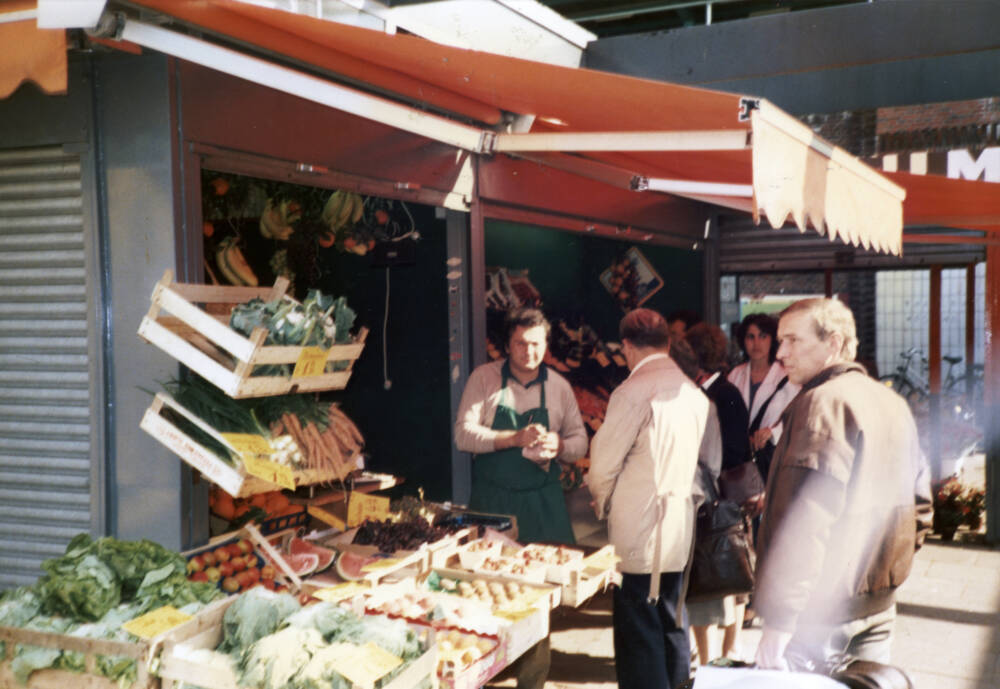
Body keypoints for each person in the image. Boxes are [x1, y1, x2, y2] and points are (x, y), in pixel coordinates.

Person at [753, 298, 933, 671]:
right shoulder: (891, 402)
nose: (780, 352)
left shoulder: (821, 404)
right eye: (780, 340)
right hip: (879, 606)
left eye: (792, 341)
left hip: (818, 615)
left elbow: (806, 519)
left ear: (833, 344)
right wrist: (883, 573)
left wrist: (781, 619)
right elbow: (921, 507)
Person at [587, 308, 713, 689]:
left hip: (639, 528)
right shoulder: (693, 392)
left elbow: (602, 466)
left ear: (626, 346)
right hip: (679, 526)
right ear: (667, 343)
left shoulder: (632, 392)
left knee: (638, 633)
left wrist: (603, 502)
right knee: (672, 622)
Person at [455, 307, 587, 545]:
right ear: (507, 346)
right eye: (521, 343)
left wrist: (560, 444)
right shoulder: (484, 378)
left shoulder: (560, 387)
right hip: (493, 504)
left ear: (546, 346)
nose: (529, 351)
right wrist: (513, 438)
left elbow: (580, 442)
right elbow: (463, 435)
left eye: (536, 344)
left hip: (545, 505)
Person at [683, 323, 752, 664]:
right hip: (725, 498)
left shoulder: (718, 396)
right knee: (728, 575)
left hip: (717, 499)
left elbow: (733, 450)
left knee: (716, 576)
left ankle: (719, 655)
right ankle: (723, 651)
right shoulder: (724, 392)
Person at [726, 313, 800, 483]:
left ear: (772, 340)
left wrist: (772, 433)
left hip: (772, 459)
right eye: (750, 337)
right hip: (741, 460)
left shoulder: (787, 377)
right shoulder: (735, 374)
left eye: (763, 336)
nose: (756, 343)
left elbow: (797, 417)